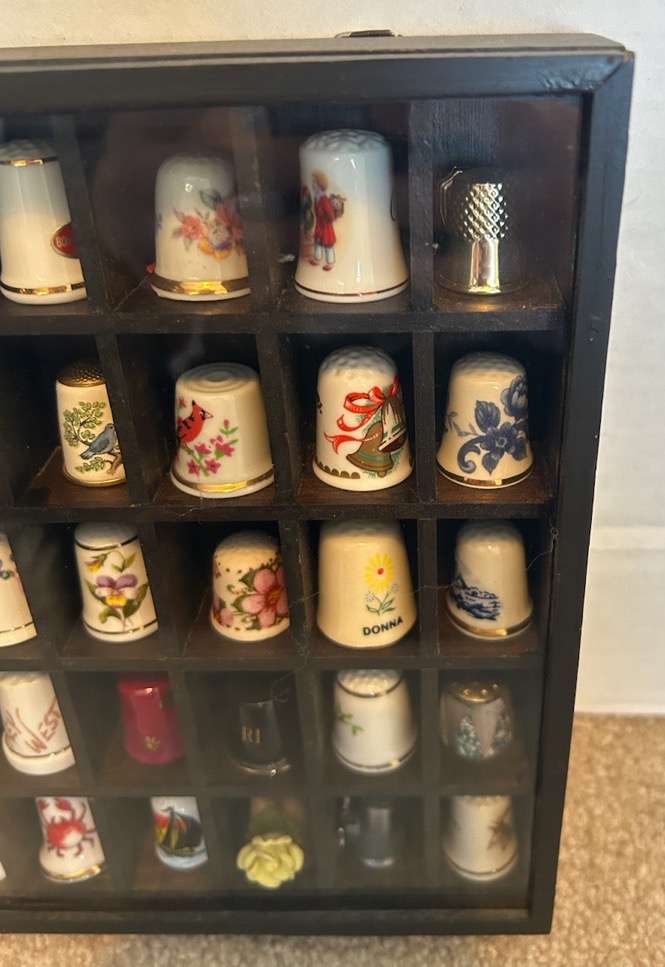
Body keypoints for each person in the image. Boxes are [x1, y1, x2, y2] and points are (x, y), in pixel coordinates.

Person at [309, 169, 336, 270]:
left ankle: (330, 263)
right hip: (319, 225)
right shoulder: (317, 197)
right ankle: (317, 259)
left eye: (314, 181)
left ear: (320, 184)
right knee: (317, 241)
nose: (312, 184)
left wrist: (325, 220)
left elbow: (331, 215)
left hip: (325, 226)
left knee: (328, 244)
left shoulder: (323, 199)